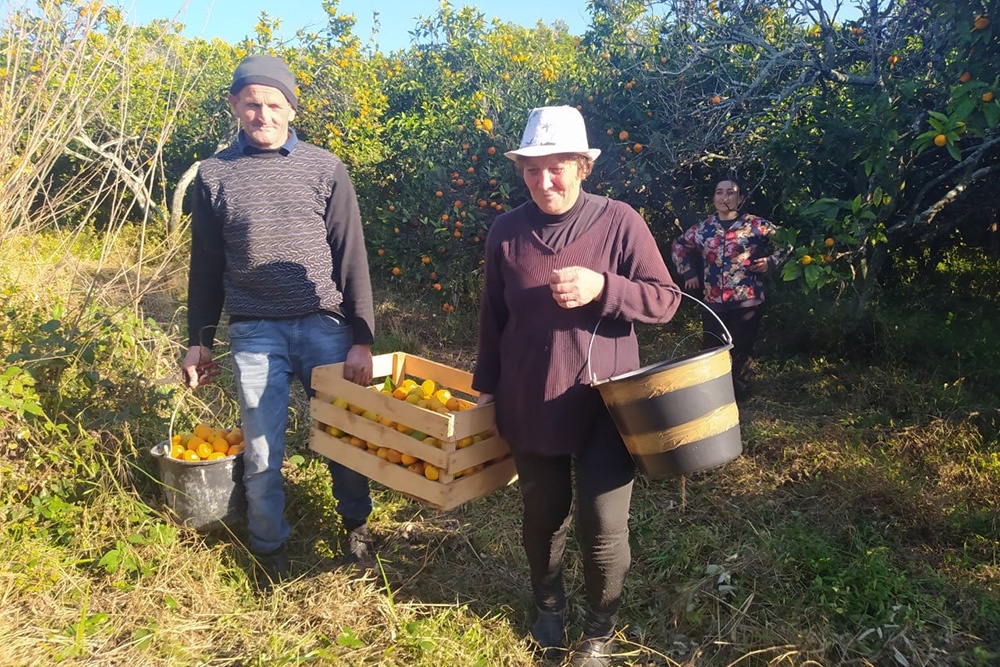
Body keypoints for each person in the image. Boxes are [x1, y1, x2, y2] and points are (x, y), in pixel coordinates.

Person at [472, 106, 682, 667]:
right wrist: (486, 387)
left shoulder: (619, 222)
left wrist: (604, 288)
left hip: (606, 407)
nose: (544, 181)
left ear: (583, 167)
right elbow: (493, 318)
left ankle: (599, 631)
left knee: (604, 526)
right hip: (530, 400)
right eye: (532, 170)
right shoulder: (507, 231)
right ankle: (549, 607)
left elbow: (665, 300)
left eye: (557, 167)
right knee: (543, 514)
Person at [181, 54, 377, 587]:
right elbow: (206, 266)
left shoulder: (325, 168)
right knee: (262, 448)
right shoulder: (214, 175)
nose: (262, 115)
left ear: (292, 108)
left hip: (324, 326)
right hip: (253, 330)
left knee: (344, 436)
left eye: (273, 104)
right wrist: (199, 340)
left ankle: (356, 526)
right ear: (234, 105)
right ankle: (268, 548)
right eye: (251, 104)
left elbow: (351, 256)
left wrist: (361, 338)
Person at [670, 178, 788, 399]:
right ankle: (713, 395)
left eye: (731, 193)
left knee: (741, 348)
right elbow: (679, 245)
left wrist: (770, 262)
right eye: (719, 192)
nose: (724, 197)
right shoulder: (704, 228)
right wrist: (688, 272)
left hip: (746, 298)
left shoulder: (755, 225)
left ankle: (740, 394)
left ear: (740, 198)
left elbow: (786, 241)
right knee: (712, 348)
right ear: (713, 198)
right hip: (713, 300)